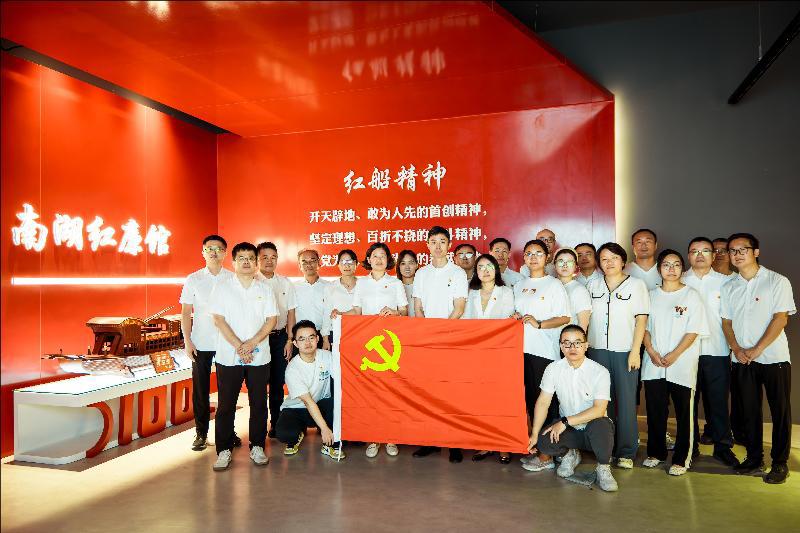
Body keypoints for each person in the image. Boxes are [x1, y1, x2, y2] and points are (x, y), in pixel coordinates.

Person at [721, 233, 795, 484]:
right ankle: (754, 458)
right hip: (742, 359)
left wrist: (758, 349)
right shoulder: (729, 286)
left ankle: (780, 462)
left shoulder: (777, 281)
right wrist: (736, 348)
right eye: (732, 250)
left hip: (774, 358)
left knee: (779, 411)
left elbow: (781, 318)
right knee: (749, 412)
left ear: (756, 252)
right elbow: (726, 322)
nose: (737, 254)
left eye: (743, 249)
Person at [209, 242, 278, 471]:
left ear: (256, 262)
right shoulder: (222, 288)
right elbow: (218, 319)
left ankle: (257, 446)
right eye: (242, 258)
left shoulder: (265, 289)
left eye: (250, 258)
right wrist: (240, 346)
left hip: (259, 356)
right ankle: (224, 449)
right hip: (229, 356)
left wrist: (251, 344)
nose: (246, 262)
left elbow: (271, 320)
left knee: (258, 403)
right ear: (234, 262)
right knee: (226, 405)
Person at [525, 325, 619, 492]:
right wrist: (534, 434)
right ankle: (570, 454)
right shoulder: (553, 369)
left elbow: (599, 409)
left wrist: (565, 422)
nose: (572, 348)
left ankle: (603, 467)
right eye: (567, 343)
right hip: (570, 430)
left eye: (577, 343)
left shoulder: (600, 372)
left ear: (586, 345)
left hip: (594, 429)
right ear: (561, 347)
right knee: (543, 440)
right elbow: (543, 402)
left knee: (602, 425)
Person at [642, 249, 708, 475]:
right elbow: (643, 328)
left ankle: (682, 458)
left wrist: (674, 354)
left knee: (684, 414)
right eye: (666, 265)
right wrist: (651, 351)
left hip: (681, 363)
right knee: (655, 412)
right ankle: (656, 453)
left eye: (676, 264)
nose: (671, 269)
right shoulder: (650, 295)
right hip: (653, 363)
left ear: (682, 268)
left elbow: (693, 330)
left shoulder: (691, 295)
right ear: (659, 268)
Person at [586, 242, 649, 469]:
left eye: (614, 258)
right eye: (604, 259)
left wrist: (635, 352)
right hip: (596, 351)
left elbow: (641, 320)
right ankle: (606, 447)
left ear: (623, 261)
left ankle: (626, 451)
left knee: (626, 402)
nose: (609, 262)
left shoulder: (637, 285)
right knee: (602, 401)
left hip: (624, 352)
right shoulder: (592, 285)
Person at [342, 242, 408, 458]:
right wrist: (340, 314)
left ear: (388, 260)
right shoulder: (361, 284)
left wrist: (395, 313)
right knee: (370, 392)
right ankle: (373, 438)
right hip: (368, 343)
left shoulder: (395, 283)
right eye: (375, 256)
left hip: (391, 343)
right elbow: (357, 311)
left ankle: (391, 437)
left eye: (383, 256)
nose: (379, 259)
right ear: (368, 260)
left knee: (390, 391)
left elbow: (404, 311)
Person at [412, 225, 469, 462]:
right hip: (426, 341)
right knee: (428, 392)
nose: (438, 246)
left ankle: (454, 443)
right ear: (427, 245)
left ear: (449, 245)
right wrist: (427, 333)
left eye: (442, 242)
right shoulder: (421, 274)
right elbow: (418, 307)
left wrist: (441, 332)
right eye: (433, 241)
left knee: (451, 392)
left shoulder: (458, 273)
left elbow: (459, 308)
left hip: (450, 339)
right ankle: (431, 441)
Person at [514, 239, 571, 472]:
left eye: (538, 253)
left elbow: (565, 317)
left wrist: (539, 324)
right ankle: (537, 448)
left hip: (544, 352)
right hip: (520, 350)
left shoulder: (554, 284)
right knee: (529, 401)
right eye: (528, 253)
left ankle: (548, 454)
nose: (533, 257)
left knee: (545, 402)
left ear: (547, 257)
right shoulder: (519, 284)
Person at [682, 237, 739, 466]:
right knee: (688, 404)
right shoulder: (678, 280)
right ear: (688, 255)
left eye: (705, 251)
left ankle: (722, 447)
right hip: (686, 353)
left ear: (713, 255)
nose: (700, 255)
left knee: (718, 403)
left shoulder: (727, 282)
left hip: (717, 350)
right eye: (694, 251)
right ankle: (690, 447)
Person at [180, 234, 237, 451]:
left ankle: (228, 432)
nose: (214, 252)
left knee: (227, 391)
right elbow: (186, 312)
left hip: (227, 341)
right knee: (200, 391)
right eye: (209, 248)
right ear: (203, 252)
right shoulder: (193, 279)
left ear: (225, 253)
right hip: (201, 342)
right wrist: (187, 340)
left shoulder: (233, 278)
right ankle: (201, 433)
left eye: (218, 248)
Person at [464, 253, 516, 464]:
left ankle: (503, 445)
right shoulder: (471, 293)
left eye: (489, 266)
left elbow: (507, 321)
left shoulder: (506, 292)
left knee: (500, 399)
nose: (485, 270)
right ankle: (484, 443)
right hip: (476, 354)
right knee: (480, 399)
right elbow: (466, 322)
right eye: (481, 267)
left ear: (496, 269)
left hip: (500, 353)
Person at [276, 320, 345, 461]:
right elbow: (308, 402)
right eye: (302, 339)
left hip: (321, 404)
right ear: (295, 343)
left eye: (311, 337)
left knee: (336, 405)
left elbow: (342, 379)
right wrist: (325, 428)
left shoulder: (327, 356)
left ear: (318, 338)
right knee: (285, 434)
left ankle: (330, 445)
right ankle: (300, 432)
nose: (307, 343)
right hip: (297, 408)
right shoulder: (293, 369)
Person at [256, 241, 298, 439]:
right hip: (258, 340)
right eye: (264, 257)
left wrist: (290, 340)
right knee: (257, 385)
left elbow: (291, 313)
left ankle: (275, 423)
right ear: (257, 259)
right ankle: (257, 426)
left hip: (280, 337)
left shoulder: (285, 283)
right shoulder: (251, 281)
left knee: (277, 383)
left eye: (273, 257)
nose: (269, 261)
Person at [294, 248, 330, 349]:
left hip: (324, 336)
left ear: (319, 263)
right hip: (301, 337)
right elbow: (290, 314)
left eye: (312, 260)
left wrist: (326, 338)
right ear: (299, 265)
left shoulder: (329, 287)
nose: (309, 264)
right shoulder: (293, 288)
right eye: (304, 262)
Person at [321, 249, 358, 346]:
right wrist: (325, 339)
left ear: (356, 264)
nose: (347, 265)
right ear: (338, 265)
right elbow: (327, 314)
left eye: (350, 262)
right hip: (337, 333)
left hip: (359, 331)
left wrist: (341, 314)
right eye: (343, 262)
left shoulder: (363, 285)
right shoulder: (330, 287)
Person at [554, 248, 592, 333]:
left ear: (575, 266)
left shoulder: (580, 291)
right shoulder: (550, 286)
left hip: (567, 339)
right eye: (560, 262)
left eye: (570, 262)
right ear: (555, 265)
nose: (565, 265)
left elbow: (583, 326)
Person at [396, 249, 419, 317]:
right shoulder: (394, 286)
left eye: (410, 263)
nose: (407, 267)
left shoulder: (422, 286)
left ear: (416, 265)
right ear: (399, 267)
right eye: (403, 263)